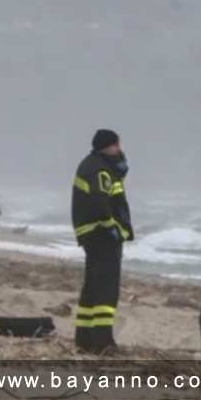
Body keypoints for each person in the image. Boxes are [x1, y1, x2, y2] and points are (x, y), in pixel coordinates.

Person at [72, 129, 134, 354]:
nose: (120, 149)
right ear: (108, 146)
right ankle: (102, 341)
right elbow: (101, 203)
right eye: (117, 145)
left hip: (92, 235)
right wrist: (114, 228)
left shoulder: (92, 165)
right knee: (106, 290)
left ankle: (85, 338)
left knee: (92, 287)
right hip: (102, 236)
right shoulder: (100, 169)